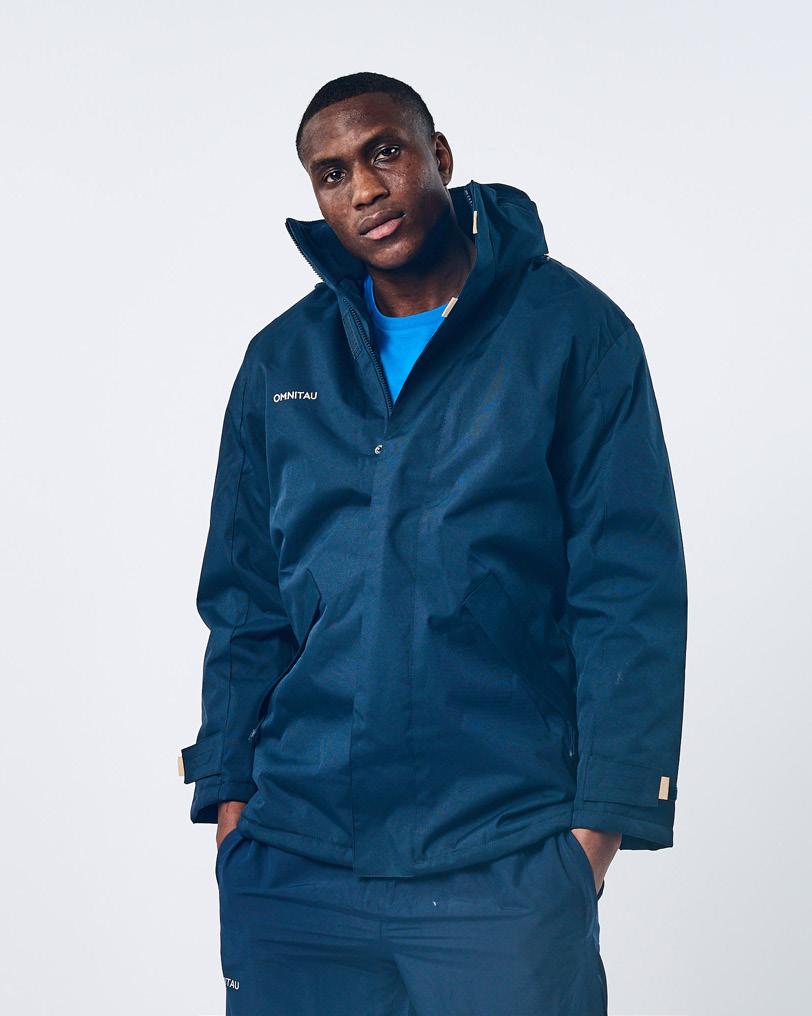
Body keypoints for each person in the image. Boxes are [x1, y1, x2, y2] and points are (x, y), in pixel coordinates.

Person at [178, 70, 688, 1015]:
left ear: (438, 156)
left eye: (384, 153)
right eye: (332, 173)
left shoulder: (574, 334)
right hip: (295, 862)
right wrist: (229, 801)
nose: (365, 189)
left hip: (503, 855)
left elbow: (628, 590)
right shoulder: (282, 359)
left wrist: (597, 835)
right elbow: (244, 596)